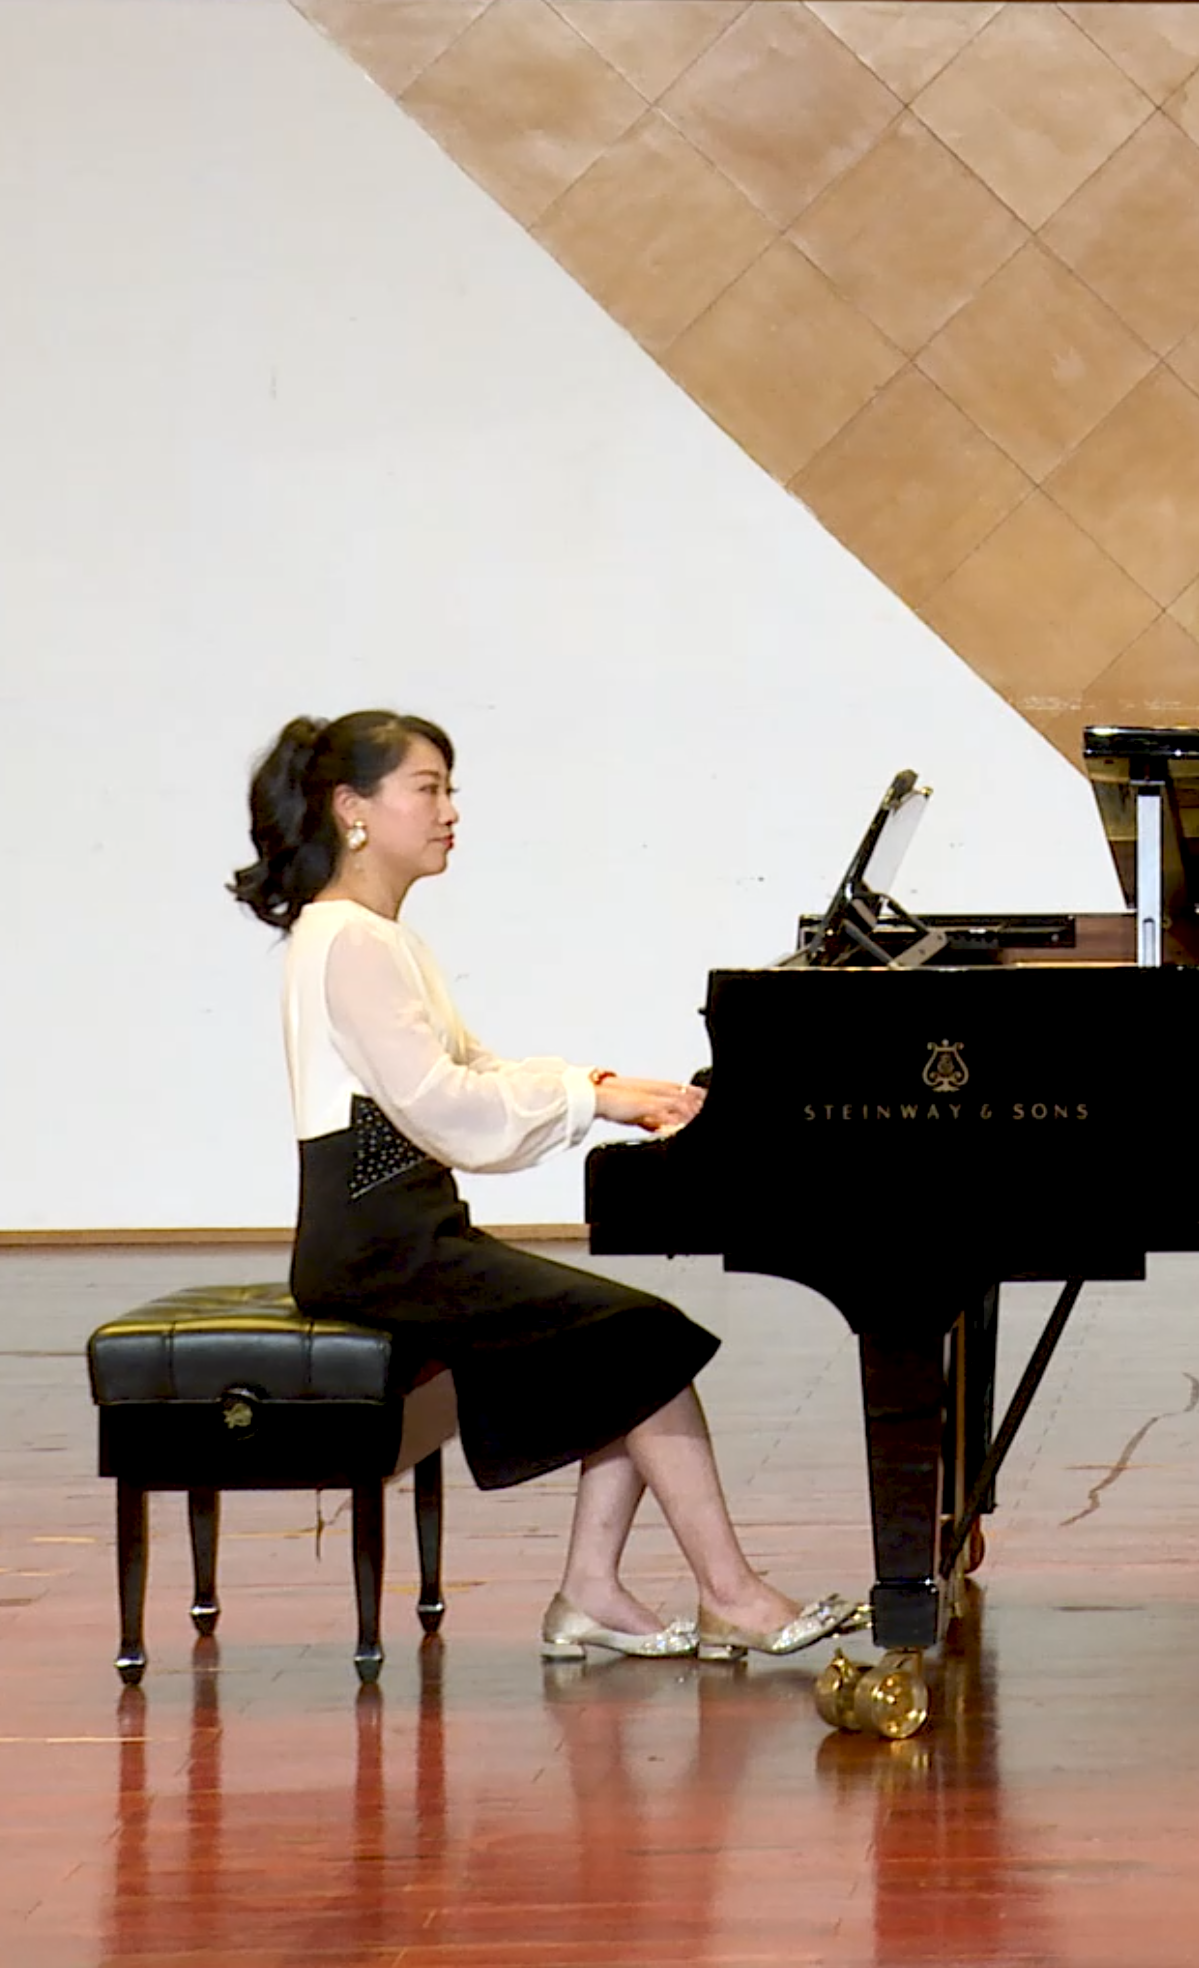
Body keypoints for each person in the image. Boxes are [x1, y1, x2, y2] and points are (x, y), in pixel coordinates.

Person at [229, 710, 855, 1666]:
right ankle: (729, 1597)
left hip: (400, 1237)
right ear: (352, 808)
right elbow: (446, 1109)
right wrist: (592, 1101)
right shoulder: (350, 940)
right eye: (427, 789)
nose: (450, 812)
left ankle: (593, 1594)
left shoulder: (375, 937)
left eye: (450, 790)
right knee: (644, 1339)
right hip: (377, 1248)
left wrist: (610, 1088)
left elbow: (472, 1068)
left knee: (631, 1343)